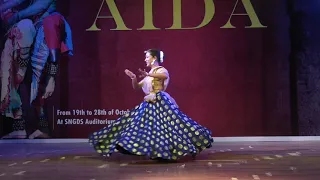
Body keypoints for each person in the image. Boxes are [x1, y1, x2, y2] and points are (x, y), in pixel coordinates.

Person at [88, 49, 214, 161]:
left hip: (160, 101)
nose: (145, 59)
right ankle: (154, 151)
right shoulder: (149, 75)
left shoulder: (161, 70)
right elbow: (137, 87)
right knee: (145, 127)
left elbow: (164, 76)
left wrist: (148, 74)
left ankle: (173, 149)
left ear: (154, 58)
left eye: (147, 57)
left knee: (170, 127)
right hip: (150, 102)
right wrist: (133, 78)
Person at [0, 0, 73, 139]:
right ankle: (19, 126)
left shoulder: (49, 19)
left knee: (37, 77)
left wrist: (51, 78)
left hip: (44, 32)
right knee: (14, 72)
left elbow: (42, 5)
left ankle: (43, 128)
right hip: (22, 37)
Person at [0, 0, 36, 138]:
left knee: (25, 27)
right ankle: (18, 126)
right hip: (8, 34)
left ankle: (21, 67)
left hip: (24, 26)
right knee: (8, 80)